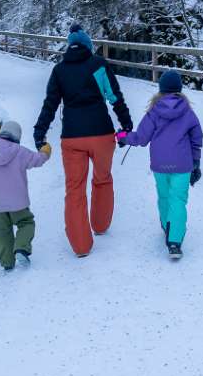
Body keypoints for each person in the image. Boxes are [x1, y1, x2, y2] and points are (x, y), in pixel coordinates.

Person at [33, 24, 133, 258]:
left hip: (72, 137)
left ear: (70, 47)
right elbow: (114, 97)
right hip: (101, 134)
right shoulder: (99, 65)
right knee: (103, 179)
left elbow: (50, 104)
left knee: (75, 189)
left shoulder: (59, 71)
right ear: (88, 46)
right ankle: (99, 225)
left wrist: (40, 132)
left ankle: (80, 246)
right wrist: (126, 125)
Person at [117, 69, 203, 260]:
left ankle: (167, 225)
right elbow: (197, 139)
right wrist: (196, 161)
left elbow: (140, 138)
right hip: (182, 165)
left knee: (164, 196)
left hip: (160, 165)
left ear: (161, 89)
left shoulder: (154, 112)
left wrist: (122, 137)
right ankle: (174, 241)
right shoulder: (188, 113)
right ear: (179, 89)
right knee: (178, 200)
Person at [0, 120, 51, 271]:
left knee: (1, 231)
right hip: (18, 202)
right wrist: (45, 152)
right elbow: (37, 160)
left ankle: (7, 262)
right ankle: (21, 248)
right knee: (26, 223)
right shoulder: (19, 151)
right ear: (17, 136)